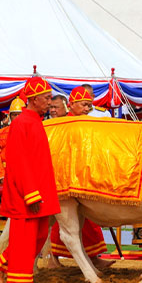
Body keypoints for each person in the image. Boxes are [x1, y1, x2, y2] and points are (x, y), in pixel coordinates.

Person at [0, 77, 59, 283]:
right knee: (26, 237)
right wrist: (31, 193)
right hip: (27, 192)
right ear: (34, 99)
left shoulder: (34, 120)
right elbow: (18, 162)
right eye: (46, 98)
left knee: (36, 236)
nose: (50, 102)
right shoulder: (22, 123)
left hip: (38, 190)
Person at [48, 86, 111, 270]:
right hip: (64, 181)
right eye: (84, 105)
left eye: (89, 106)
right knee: (60, 222)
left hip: (81, 180)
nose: (86, 109)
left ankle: (91, 257)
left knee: (87, 221)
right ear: (72, 105)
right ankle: (53, 257)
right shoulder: (63, 125)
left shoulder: (84, 123)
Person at [0, 98, 25, 184]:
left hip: (26, 174)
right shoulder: (1, 133)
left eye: (19, 114)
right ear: (10, 116)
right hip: (7, 174)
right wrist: (0, 175)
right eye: (14, 115)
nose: (17, 117)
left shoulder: (31, 130)